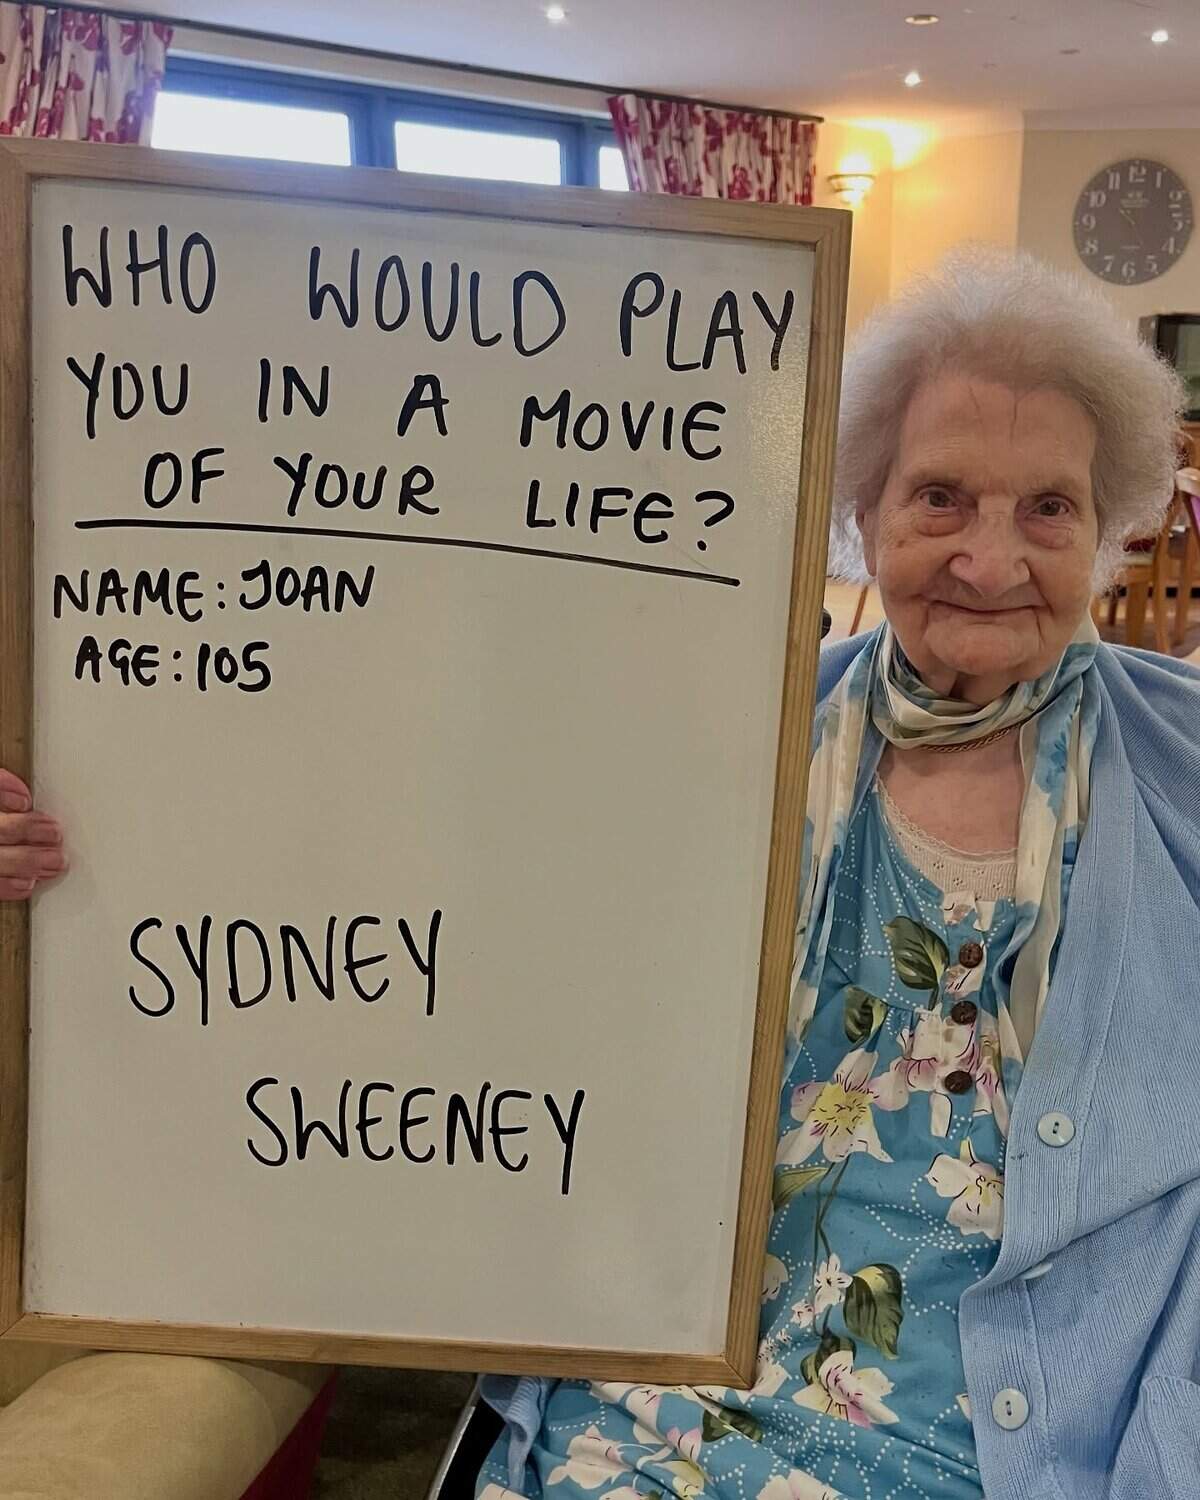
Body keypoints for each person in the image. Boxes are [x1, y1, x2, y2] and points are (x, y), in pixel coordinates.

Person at [4, 247, 1198, 1500]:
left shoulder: (1177, 767)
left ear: (1108, 526)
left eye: (1048, 508)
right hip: (673, 1379)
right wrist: (103, 839)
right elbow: (397, 872)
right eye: (940, 498)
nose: (991, 561)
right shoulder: (730, 733)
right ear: (862, 507)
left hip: (1019, 1425)